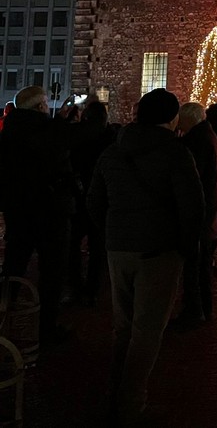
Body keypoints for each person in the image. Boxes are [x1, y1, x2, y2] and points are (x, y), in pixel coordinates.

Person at [87, 88, 205, 426]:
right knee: (148, 330)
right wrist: (185, 247)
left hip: (118, 249)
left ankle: (116, 391)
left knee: (123, 327)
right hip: (158, 251)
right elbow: (192, 207)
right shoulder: (176, 153)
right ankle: (130, 403)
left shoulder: (113, 151)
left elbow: (95, 201)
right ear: (170, 118)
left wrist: (112, 233)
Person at [0, 85, 79, 346]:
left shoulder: (8, 131)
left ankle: (3, 315)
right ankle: (47, 327)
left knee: (14, 265)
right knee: (52, 272)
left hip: (17, 209)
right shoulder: (48, 130)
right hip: (50, 211)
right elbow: (61, 157)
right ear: (40, 106)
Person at [171, 102, 217, 328]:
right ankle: (201, 308)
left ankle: (195, 310)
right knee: (199, 265)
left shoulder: (197, 142)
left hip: (200, 213)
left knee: (196, 265)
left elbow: (194, 179)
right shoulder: (207, 136)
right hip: (207, 212)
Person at [67, 99, 117, 306]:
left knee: (72, 245)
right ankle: (93, 289)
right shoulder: (111, 139)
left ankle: (75, 288)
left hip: (78, 198)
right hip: (102, 199)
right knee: (98, 247)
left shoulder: (77, 137)